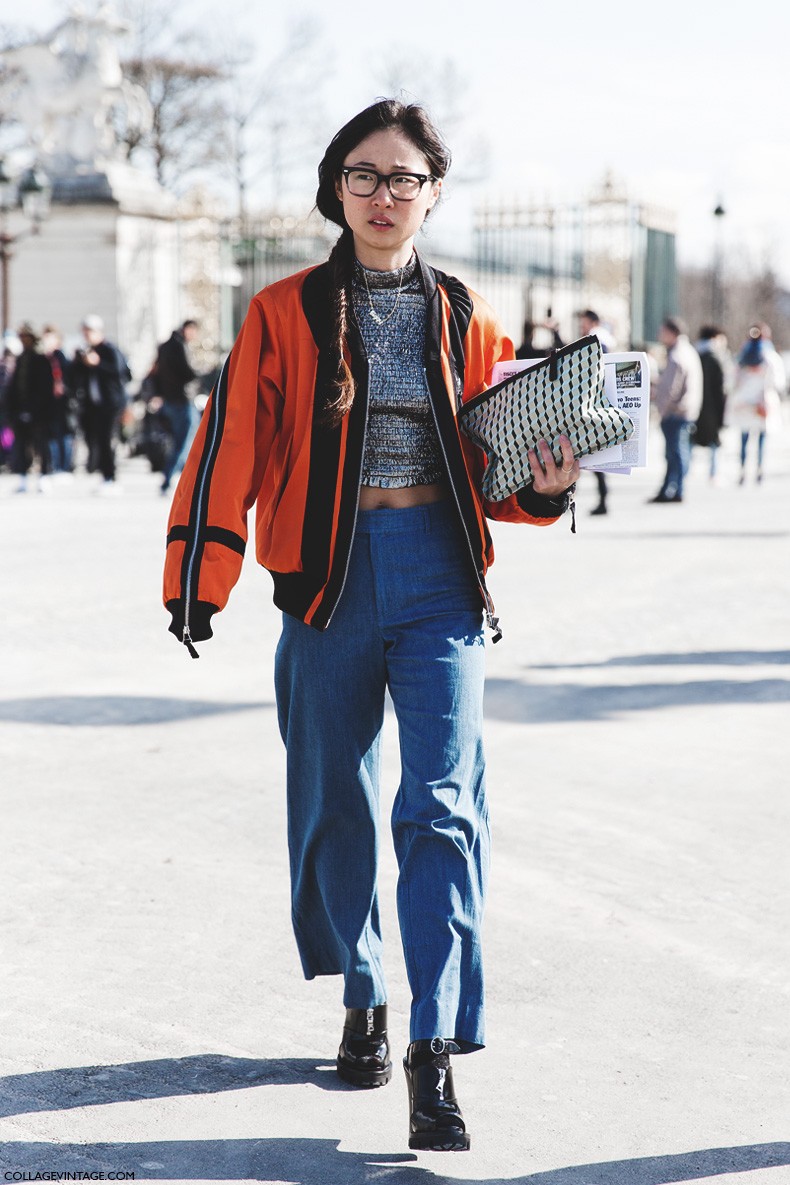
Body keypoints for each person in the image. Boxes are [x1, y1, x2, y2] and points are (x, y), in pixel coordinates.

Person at [162, 99, 578, 1152]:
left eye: (404, 178)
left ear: (433, 192)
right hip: (325, 582)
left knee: (440, 808)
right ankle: (363, 988)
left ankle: (432, 1052)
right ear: (334, 188)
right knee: (332, 801)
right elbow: (230, 447)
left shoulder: (470, 315)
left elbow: (496, 473)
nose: (384, 195)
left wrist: (543, 485)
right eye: (364, 174)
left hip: (440, 578)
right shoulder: (280, 311)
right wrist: (198, 573)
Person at [71, 313, 131, 492]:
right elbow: (76, 377)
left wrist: (97, 363)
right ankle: (102, 474)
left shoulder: (109, 350)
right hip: (92, 404)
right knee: (94, 439)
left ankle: (110, 477)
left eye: (90, 332)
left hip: (111, 403)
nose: (87, 336)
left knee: (106, 440)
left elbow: (120, 373)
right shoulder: (86, 352)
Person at [648, 316, 703, 503]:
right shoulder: (687, 351)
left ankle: (676, 489)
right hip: (685, 410)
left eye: (662, 332)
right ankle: (670, 489)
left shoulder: (677, 355)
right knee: (676, 452)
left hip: (676, 412)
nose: (659, 335)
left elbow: (671, 388)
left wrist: (662, 407)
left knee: (675, 453)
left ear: (672, 333)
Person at [5, 323, 54, 493]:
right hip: (20, 410)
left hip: (39, 411)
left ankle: (44, 476)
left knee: (41, 444)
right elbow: (14, 388)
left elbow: (46, 388)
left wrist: (39, 409)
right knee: (21, 445)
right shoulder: (20, 359)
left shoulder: (41, 360)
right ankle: (22, 477)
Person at [730, 327, 784, 484]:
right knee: (760, 439)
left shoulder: (742, 355)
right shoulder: (770, 356)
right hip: (762, 402)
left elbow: (733, 379)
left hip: (744, 401)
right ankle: (759, 469)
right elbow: (777, 382)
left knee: (744, 438)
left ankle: (742, 469)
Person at [156, 319, 200, 493]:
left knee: (181, 441)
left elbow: (158, 373)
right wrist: (200, 375)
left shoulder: (165, 346)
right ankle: (170, 478)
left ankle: (185, 478)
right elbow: (188, 371)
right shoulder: (180, 346)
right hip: (183, 398)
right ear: (187, 329)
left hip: (170, 399)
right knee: (185, 441)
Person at [577, 310, 615, 516]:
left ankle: (602, 499)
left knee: (588, 454)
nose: (581, 326)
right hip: (597, 403)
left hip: (593, 404)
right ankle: (602, 498)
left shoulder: (598, 341)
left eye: (583, 323)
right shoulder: (603, 339)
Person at [694, 325, 730, 482]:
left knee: (693, 438)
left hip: (696, 406)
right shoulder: (716, 358)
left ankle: (689, 472)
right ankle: (713, 473)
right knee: (714, 441)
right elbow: (720, 388)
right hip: (712, 408)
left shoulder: (695, 355)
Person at [42, 325, 78, 478]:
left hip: (63, 403)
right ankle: (54, 466)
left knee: (64, 434)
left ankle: (64, 467)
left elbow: (71, 380)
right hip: (50, 404)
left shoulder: (62, 358)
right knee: (52, 435)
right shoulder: (45, 359)